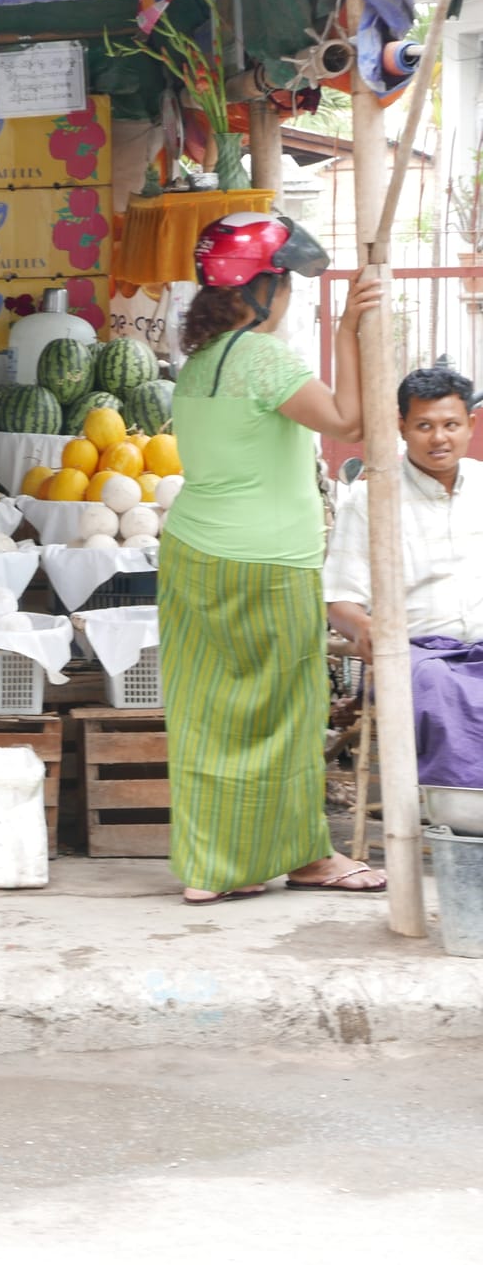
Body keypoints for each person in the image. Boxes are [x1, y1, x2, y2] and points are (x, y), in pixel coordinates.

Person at [159, 213, 386, 904]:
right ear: (262, 291)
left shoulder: (200, 362)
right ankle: (306, 857)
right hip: (267, 561)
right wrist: (348, 333)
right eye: (283, 282)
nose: (288, 295)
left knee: (206, 714)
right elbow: (349, 422)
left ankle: (210, 870)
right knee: (288, 710)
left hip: (193, 555)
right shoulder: (261, 357)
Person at [325, 366, 483, 788]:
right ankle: (463, 818)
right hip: (417, 656)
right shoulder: (372, 497)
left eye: (451, 424)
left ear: (470, 424)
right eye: (424, 426)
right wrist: (364, 628)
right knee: (438, 687)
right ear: (401, 426)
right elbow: (338, 601)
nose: (439, 438)